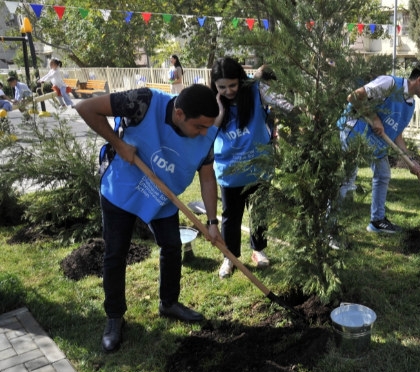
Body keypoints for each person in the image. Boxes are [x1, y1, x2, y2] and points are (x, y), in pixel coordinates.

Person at [76, 84, 223, 353]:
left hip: (163, 193)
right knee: (116, 252)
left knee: (171, 245)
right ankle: (114, 317)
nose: (204, 133)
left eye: (207, 127)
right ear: (179, 114)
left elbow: (206, 176)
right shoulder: (143, 101)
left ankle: (168, 303)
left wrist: (212, 223)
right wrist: (118, 144)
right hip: (124, 184)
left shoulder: (207, 133)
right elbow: (85, 108)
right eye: (199, 127)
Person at [211, 57, 296, 278]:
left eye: (233, 85)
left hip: (258, 166)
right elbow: (209, 132)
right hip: (230, 170)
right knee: (231, 215)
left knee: (259, 211)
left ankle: (258, 250)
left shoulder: (257, 91)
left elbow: (283, 104)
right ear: (215, 85)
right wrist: (220, 111)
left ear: (240, 80)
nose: (228, 90)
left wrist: (300, 113)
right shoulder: (213, 101)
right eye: (222, 87)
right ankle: (229, 257)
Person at [338, 63, 420, 233]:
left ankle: (377, 221)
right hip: (354, 130)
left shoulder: (410, 105)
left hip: (374, 141)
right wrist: (374, 117)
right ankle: (327, 227)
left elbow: (396, 135)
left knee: (383, 173)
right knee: (346, 179)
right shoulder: (389, 83)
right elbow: (354, 97)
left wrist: (410, 162)